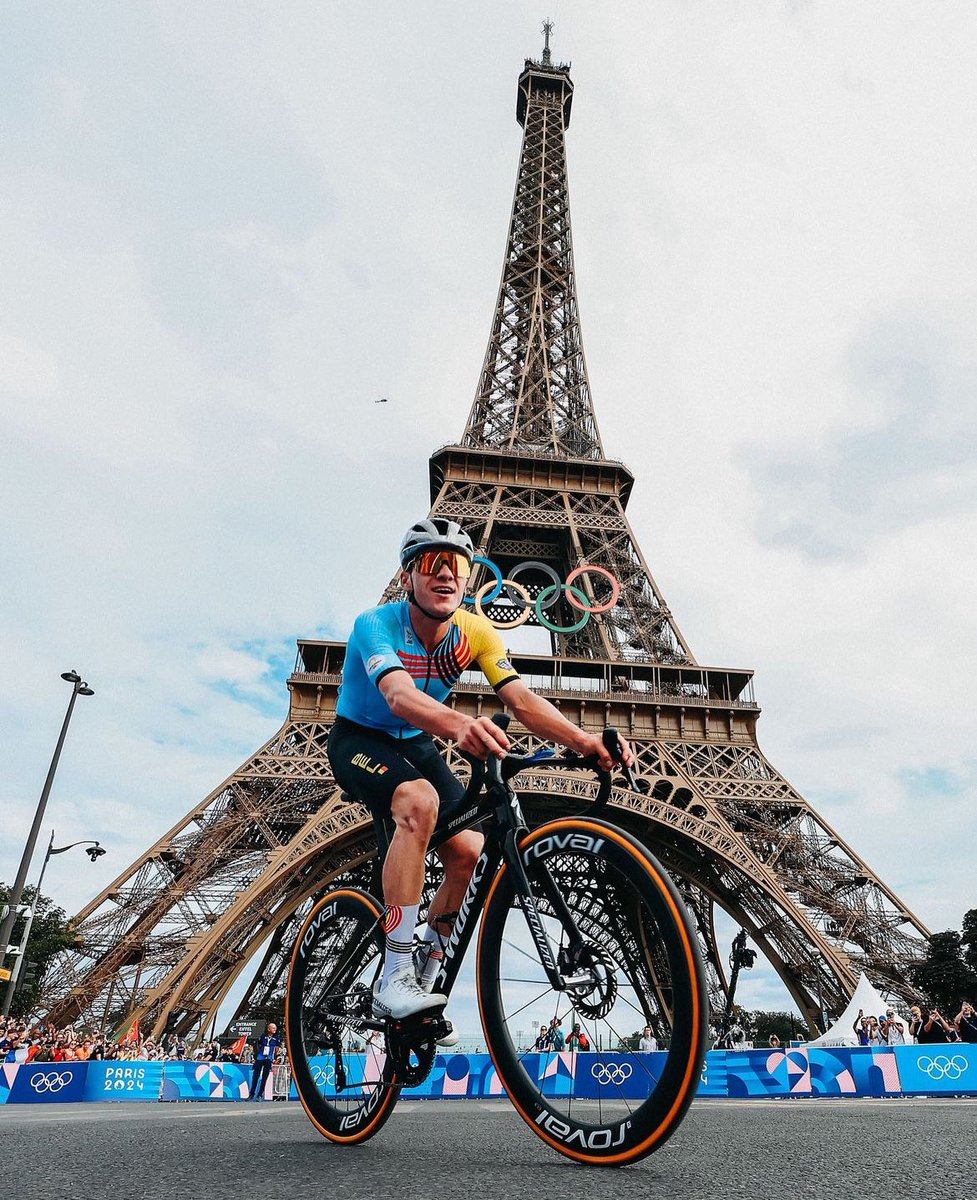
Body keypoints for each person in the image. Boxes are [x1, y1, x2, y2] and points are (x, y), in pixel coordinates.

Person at [327, 519, 633, 1027]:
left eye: (458, 565)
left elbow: (519, 699)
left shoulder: (476, 632)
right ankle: (395, 975)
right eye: (430, 563)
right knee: (419, 802)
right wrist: (460, 724)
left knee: (468, 850)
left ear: (470, 578)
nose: (445, 574)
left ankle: (425, 966)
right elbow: (398, 697)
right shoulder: (374, 624)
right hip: (360, 738)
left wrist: (583, 740)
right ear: (407, 578)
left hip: (418, 742)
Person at [248, 1022, 280, 1100]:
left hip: (269, 1059)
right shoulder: (263, 1036)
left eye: (275, 1028)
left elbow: (277, 1048)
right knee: (255, 1076)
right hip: (260, 1058)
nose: (274, 1029)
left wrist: (273, 1056)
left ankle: (260, 1094)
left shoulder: (277, 1037)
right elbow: (259, 1045)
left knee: (264, 1077)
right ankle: (251, 1093)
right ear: (268, 1029)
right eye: (273, 1028)